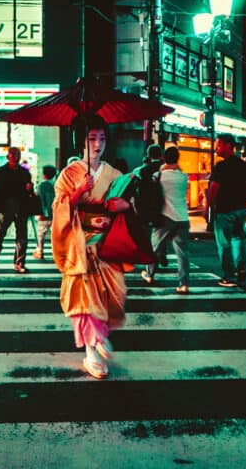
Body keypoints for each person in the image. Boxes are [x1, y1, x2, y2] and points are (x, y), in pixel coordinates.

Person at [52, 114, 131, 379]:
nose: (98, 144)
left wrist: (123, 206)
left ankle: (100, 335)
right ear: (80, 141)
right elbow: (59, 210)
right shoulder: (68, 174)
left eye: (102, 138)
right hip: (80, 247)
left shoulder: (114, 174)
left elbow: (126, 206)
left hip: (106, 246)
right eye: (91, 138)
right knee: (84, 301)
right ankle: (91, 350)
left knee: (111, 295)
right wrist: (76, 194)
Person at [141, 147, 191, 293]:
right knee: (182, 253)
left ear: (164, 158)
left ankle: (150, 274)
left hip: (165, 217)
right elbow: (179, 172)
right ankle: (184, 284)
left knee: (155, 248)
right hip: (182, 218)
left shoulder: (160, 175)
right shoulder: (183, 176)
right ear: (177, 159)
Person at [208, 133, 246, 288]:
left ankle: (229, 275)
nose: (216, 148)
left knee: (224, 244)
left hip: (224, 209)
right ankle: (241, 269)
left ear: (228, 146)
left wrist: (210, 208)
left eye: (218, 145)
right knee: (238, 240)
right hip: (240, 209)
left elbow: (214, 189)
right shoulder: (243, 165)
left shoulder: (221, 167)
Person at [0, 147, 33, 273]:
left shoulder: (24, 173)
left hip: (21, 207)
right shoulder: (0, 172)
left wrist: (29, 188)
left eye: (17, 155)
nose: (14, 157)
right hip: (4, 207)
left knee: (22, 237)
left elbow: (30, 191)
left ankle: (19, 263)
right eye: (12, 155)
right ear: (8, 157)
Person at [32, 165, 57, 261]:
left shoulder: (41, 186)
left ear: (44, 175)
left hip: (44, 215)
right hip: (55, 214)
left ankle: (40, 251)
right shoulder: (57, 185)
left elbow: (40, 201)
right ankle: (56, 253)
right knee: (54, 235)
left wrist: (41, 214)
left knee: (41, 234)